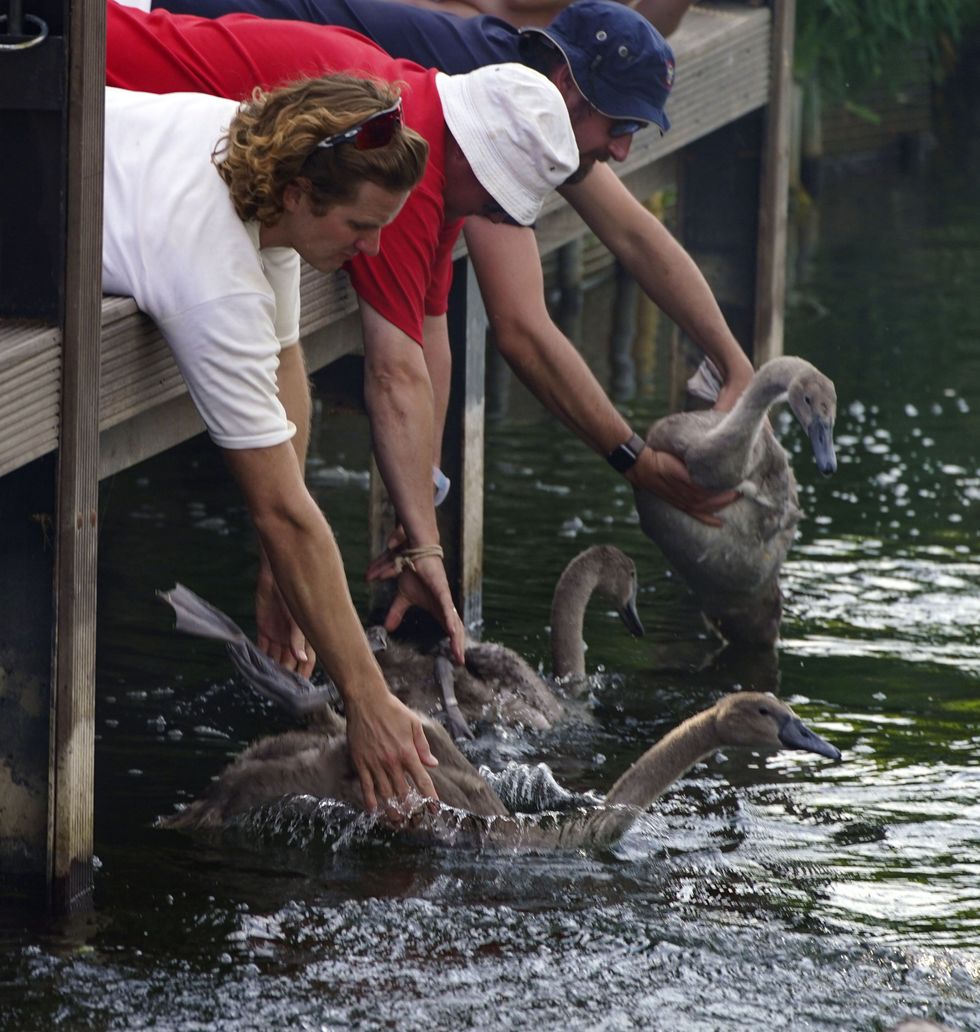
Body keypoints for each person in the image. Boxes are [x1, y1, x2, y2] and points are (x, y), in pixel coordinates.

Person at [106, 0, 752, 620]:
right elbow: (405, 370)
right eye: (622, 127)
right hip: (98, 74)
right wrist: (420, 541)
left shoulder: (448, 135)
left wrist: (422, 512)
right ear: (567, 87)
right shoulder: (411, 155)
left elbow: (426, 334)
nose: (622, 152)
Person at [103, 69, 577, 808]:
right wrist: (367, 701)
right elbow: (284, 512)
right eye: (361, 227)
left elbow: (286, 363)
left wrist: (277, 574)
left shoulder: (255, 166)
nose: (375, 246)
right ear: (300, 196)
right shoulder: (214, 277)